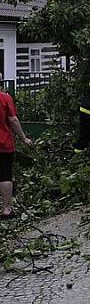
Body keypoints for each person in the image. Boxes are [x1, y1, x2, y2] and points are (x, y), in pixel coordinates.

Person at [0, 88, 32, 219]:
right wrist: (24, 138)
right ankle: (6, 209)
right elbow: (13, 120)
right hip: (3, 143)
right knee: (5, 175)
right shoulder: (4, 98)